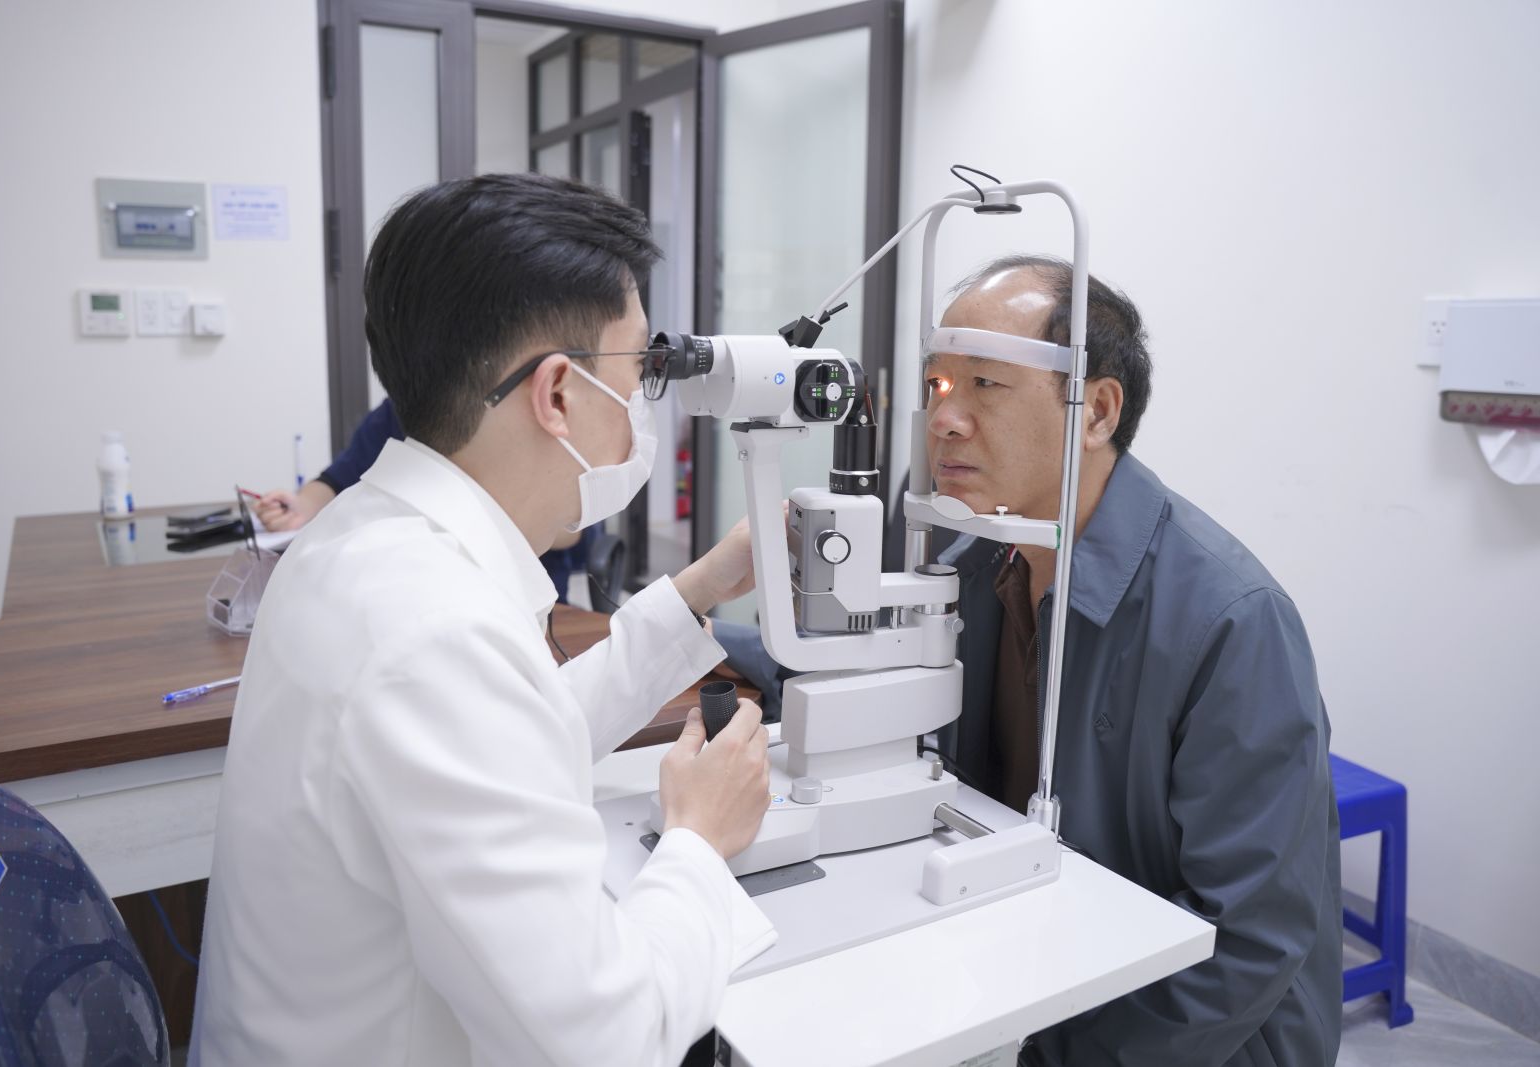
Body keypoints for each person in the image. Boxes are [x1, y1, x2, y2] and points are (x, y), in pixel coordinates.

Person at [190, 173, 775, 1066]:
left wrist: (700, 585)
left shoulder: (361, 541)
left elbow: (512, 732)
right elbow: (611, 1040)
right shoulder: (434, 635)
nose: (644, 408)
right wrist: (700, 837)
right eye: (641, 372)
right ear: (558, 394)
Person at [719, 255, 1343, 1066]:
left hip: (1182, 1033)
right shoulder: (967, 550)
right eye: (938, 384)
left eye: (986, 384)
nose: (945, 419)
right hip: (1025, 965)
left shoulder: (1231, 623)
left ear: (1097, 411)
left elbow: (1250, 940)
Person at [253, 397, 600, 602]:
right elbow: (338, 478)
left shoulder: (532, 413)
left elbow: (570, 530)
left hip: (528, 605)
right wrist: (302, 506)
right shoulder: (404, 410)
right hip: (416, 596)